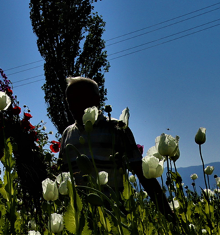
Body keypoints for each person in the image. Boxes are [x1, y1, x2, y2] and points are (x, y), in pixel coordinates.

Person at [58, 77, 174, 220]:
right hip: (79, 217)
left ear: (96, 100)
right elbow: (62, 177)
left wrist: (169, 215)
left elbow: (143, 173)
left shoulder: (117, 129)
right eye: (69, 100)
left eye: (77, 98)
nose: (71, 105)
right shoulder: (67, 134)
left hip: (114, 214)